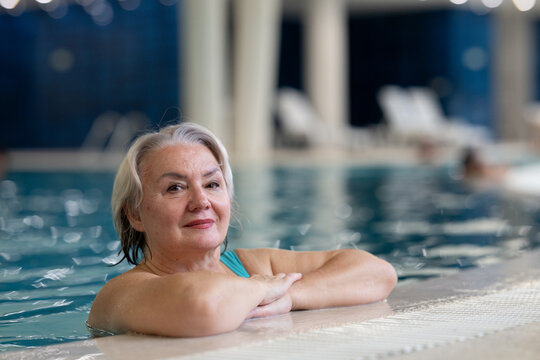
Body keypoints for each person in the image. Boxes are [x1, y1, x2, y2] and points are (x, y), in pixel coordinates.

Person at [87, 122, 397, 337]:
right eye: (175, 188)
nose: (201, 201)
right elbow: (202, 306)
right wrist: (263, 288)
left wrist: (290, 297)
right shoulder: (120, 294)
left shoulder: (248, 266)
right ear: (135, 214)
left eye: (212, 184)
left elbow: (377, 272)